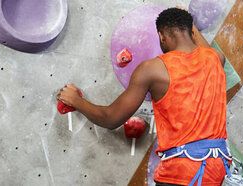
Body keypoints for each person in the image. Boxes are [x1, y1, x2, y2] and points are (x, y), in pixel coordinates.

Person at [57, 8, 230, 186]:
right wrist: (188, 22)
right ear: (191, 31)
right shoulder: (216, 59)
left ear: (162, 37)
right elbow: (202, 48)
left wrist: (76, 101)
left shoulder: (152, 70)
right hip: (217, 173)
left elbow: (111, 118)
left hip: (180, 176)